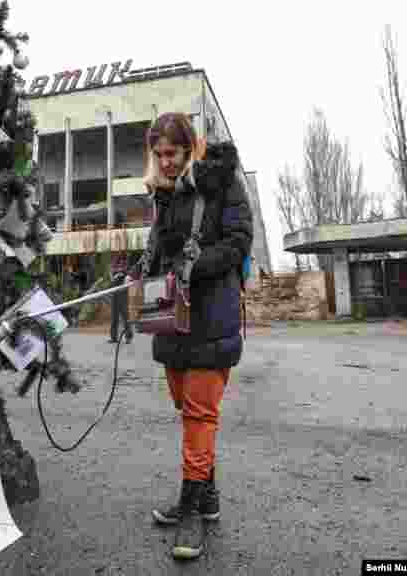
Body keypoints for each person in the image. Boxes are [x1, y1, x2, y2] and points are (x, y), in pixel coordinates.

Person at [125, 113, 253, 561]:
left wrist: (194, 266)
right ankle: (208, 496)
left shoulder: (223, 182)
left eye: (173, 153)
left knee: (199, 415)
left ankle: (191, 511)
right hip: (172, 319)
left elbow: (239, 241)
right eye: (158, 155)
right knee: (187, 408)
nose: (166, 162)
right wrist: (139, 270)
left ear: (191, 147)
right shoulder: (163, 193)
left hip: (212, 316)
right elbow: (160, 248)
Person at [109, 255, 131, 343]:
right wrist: (115, 274)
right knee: (114, 316)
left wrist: (121, 274)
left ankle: (128, 337)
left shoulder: (126, 272)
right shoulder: (114, 270)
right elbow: (112, 278)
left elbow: (127, 279)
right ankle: (113, 337)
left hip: (123, 295)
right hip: (115, 295)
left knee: (125, 317)